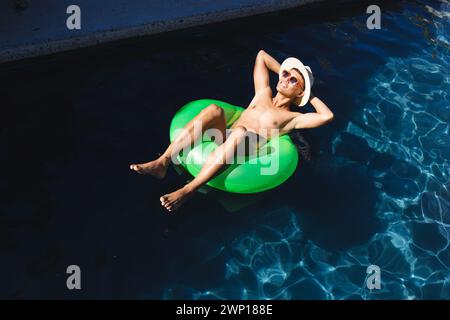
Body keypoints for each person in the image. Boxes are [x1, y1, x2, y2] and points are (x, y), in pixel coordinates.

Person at [130, 50, 334, 212]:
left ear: (300, 92)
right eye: (286, 74)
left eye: (293, 81)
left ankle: (187, 190)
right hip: (222, 140)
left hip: (243, 155)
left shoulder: (293, 119)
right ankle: (163, 162)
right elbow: (261, 56)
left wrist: (308, 94)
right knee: (213, 110)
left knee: (239, 133)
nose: (286, 79)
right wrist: (287, 75)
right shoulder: (263, 94)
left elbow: (327, 116)